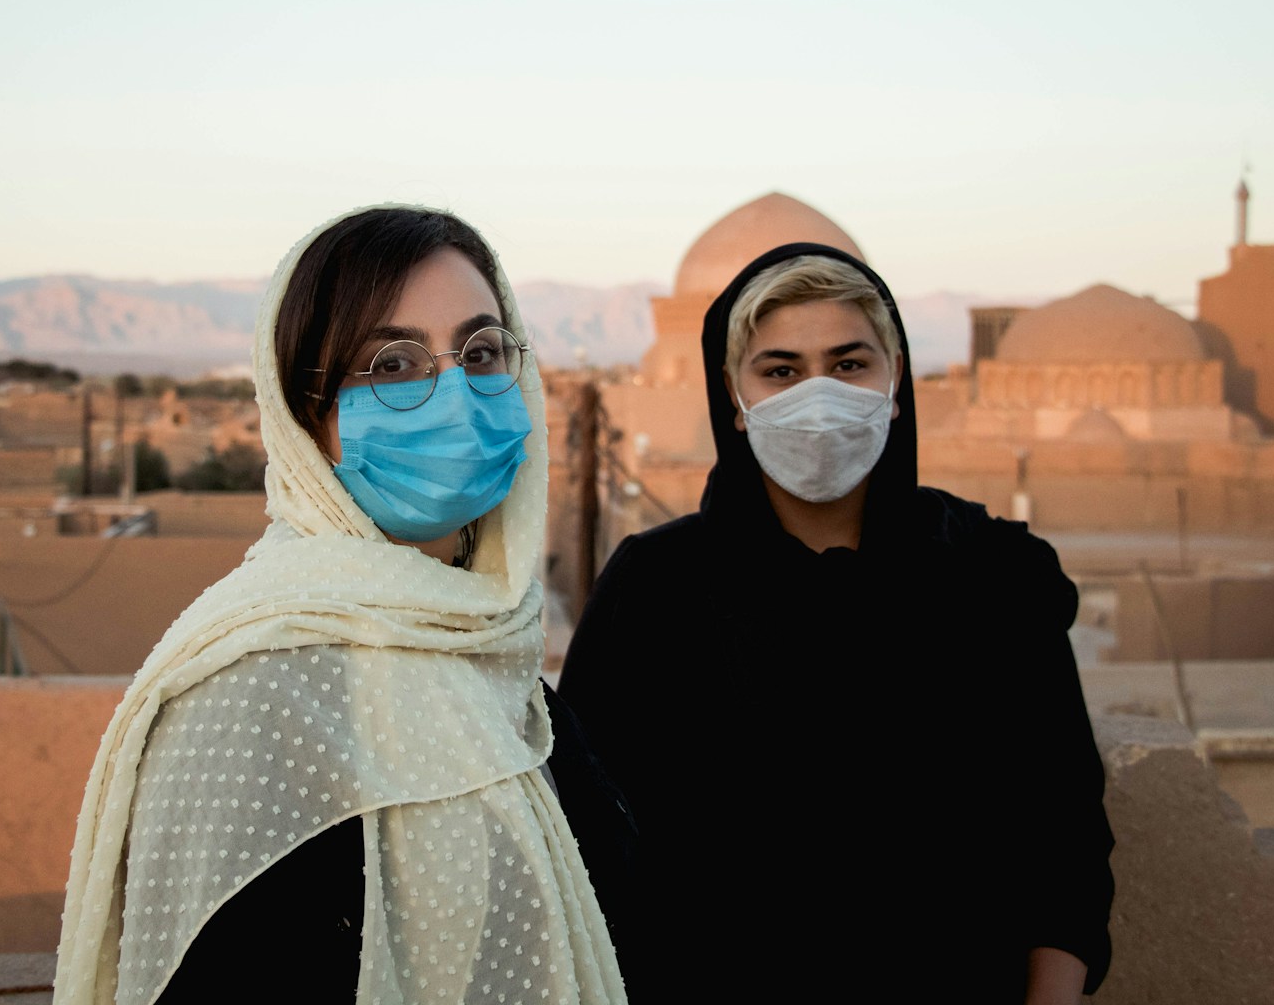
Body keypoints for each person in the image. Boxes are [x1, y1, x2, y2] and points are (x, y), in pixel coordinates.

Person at [54, 206, 631, 1005]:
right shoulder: (251, 692)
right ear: (306, 416)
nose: (456, 393)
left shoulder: (492, 654)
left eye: (482, 351)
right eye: (392, 366)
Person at [558, 243, 1114, 1003]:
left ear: (894, 384)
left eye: (850, 364)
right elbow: (589, 845)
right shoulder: (656, 592)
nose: (817, 396)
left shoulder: (991, 577)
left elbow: (1063, 836)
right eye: (780, 371)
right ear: (736, 397)